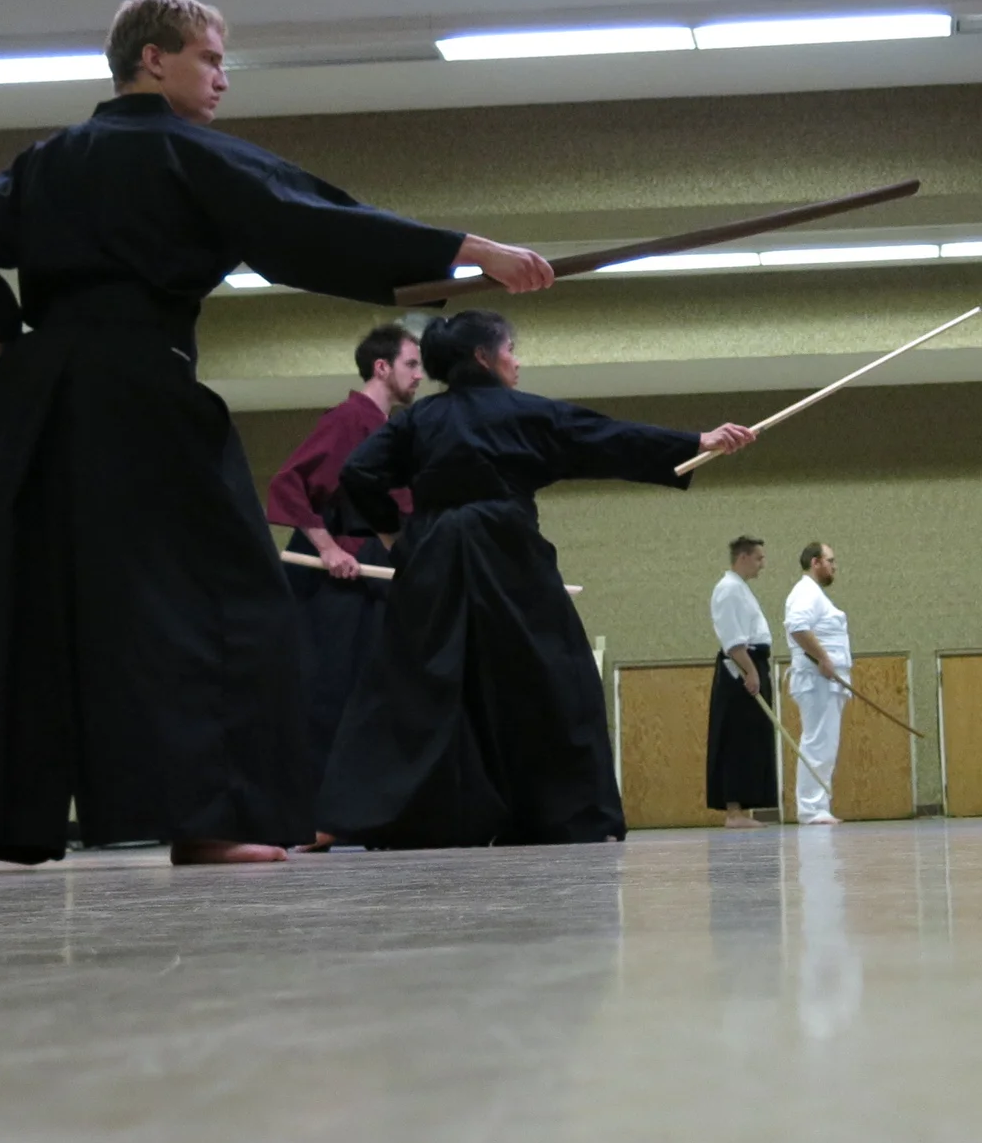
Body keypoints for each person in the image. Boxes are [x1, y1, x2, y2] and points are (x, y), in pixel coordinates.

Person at [0, 0, 555, 875]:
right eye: (210, 58)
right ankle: (205, 821)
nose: (222, 77)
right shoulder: (187, 152)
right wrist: (472, 247)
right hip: (142, 392)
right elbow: (316, 220)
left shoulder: (46, 160)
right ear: (153, 59)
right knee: (222, 597)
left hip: (37, 395)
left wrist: (9, 343)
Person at [321, 311, 754, 847]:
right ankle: (556, 816)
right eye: (510, 349)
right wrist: (697, 441)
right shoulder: (523, 413)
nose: (517, 360)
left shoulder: (420, 420)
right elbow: (604, 437)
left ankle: (424, 819)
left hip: (430, 556)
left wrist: (395, 535)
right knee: (551, 676)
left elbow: (358, 473)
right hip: (505, 552)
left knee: (425, 684)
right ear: (483, 357)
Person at [266, 323, 425, 809]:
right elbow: (290, 484)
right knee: (328, 692)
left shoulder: (390, 431)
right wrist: (327, 549)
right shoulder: (348, 419)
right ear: (383, 367)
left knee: (375, 692)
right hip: (336, 580)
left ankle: (356, 809)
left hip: (377, 574)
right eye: (412, 364)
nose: (420, 375)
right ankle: (313, 811)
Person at [707, 536, 778, 828]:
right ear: (743, 557)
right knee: (735, 738)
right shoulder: (727, 590)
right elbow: (732, 639)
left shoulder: (741, 589)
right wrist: (750, 671)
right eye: (759, 558)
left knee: (751, 740)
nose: (763, 564)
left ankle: (742, 809)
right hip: (739, 667)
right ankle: (733, 812)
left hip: (752, 663)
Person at [783, 542, 851, 827]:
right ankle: (811, 809)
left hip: (824, 683)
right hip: (817, 681)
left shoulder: (815, 595)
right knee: (818, 743)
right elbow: (797, 626)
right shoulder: (806, 593)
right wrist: (823, 658)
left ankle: (816, 806)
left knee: (824, 744)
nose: (834, 567)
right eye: (830, 561)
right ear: (815, 562)